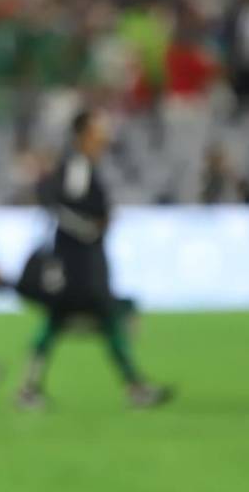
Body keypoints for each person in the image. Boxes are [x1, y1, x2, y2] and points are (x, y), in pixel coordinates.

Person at [17, 110, 172, 410]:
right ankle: (135, 387)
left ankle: (29, 388)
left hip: (81, 260)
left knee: (64, 321)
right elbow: (58, 204)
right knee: (102, 316)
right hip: (79, 264)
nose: (103, 135)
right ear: (82, 135)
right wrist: (90, 228)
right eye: (97, 130)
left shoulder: (83, 165)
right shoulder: (77, 166)